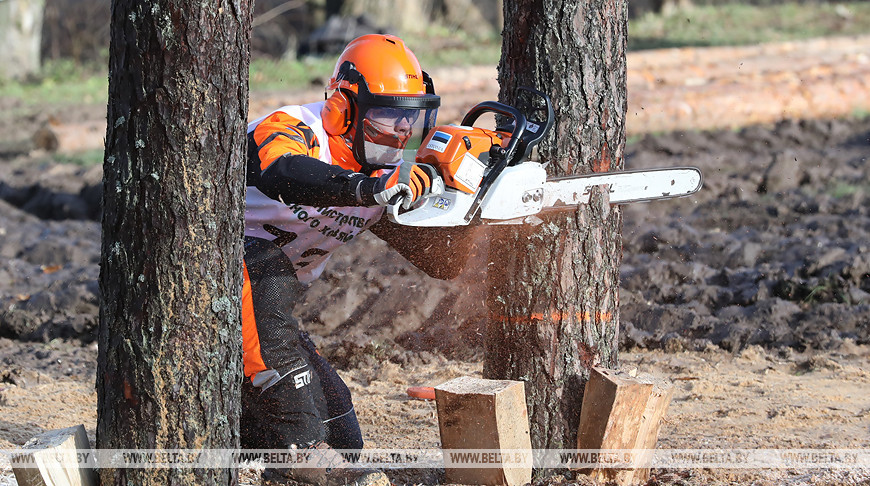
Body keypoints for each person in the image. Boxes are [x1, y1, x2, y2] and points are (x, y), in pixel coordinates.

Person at [241, 34, 472, 485]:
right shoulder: (293, 127)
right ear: (344, 108)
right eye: (387, 119)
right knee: (265, 273)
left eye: (413, 120)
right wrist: (366, 189)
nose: (402, 135)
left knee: (342, 437)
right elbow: (282, 173)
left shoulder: (383, 175)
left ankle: (249, 446)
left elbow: (444, 262)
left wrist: (461, 203)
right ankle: (295, 452)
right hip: (224, 276)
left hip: (272, 311)